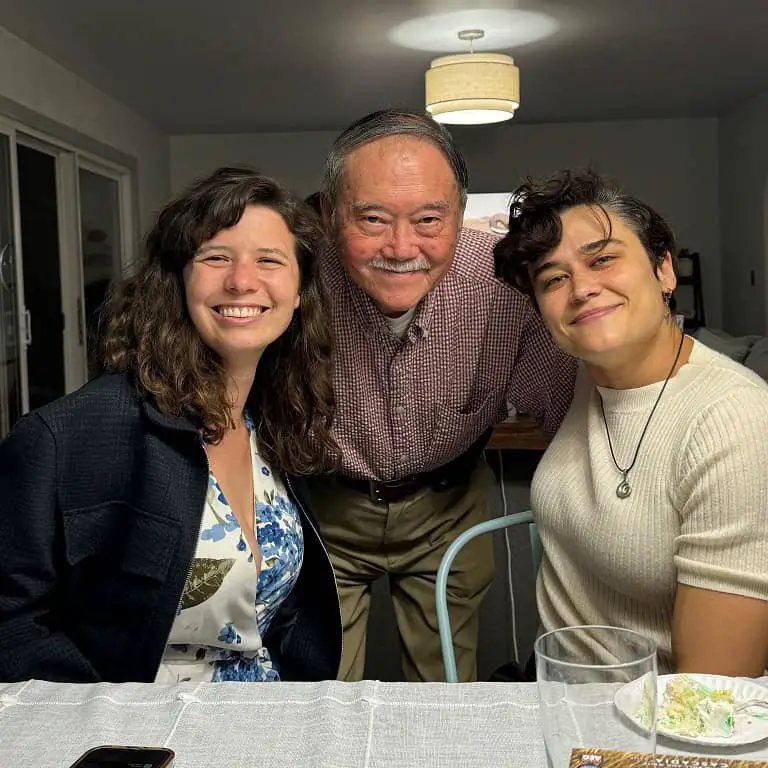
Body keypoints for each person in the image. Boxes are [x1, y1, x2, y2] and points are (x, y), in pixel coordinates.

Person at [0, 167, 342, 684]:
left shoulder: (274, 418)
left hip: (268, 721)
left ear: (298, 294)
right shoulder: (67, 437)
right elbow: (12, 628)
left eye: (269, 260)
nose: (242, 280)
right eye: (215, 257)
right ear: (177, 281)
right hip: (142, 740)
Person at [308, 108, 577, 683]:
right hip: (320, 509)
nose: (403, 248)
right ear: (331, 214)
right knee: (318, 692)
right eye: (373, 218)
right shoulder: (293, 280)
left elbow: (565, 414)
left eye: (430, 219)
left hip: (448, 508)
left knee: (445, 691)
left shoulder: (504, 284)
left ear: (459, 213)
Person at [494, 169, 768, 675]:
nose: (581, 290)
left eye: (603, 259)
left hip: (647, 728)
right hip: (556, 689)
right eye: (554, 278)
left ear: (664, 270)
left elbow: (713, 691)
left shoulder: (733, 418)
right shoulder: (587, 373)